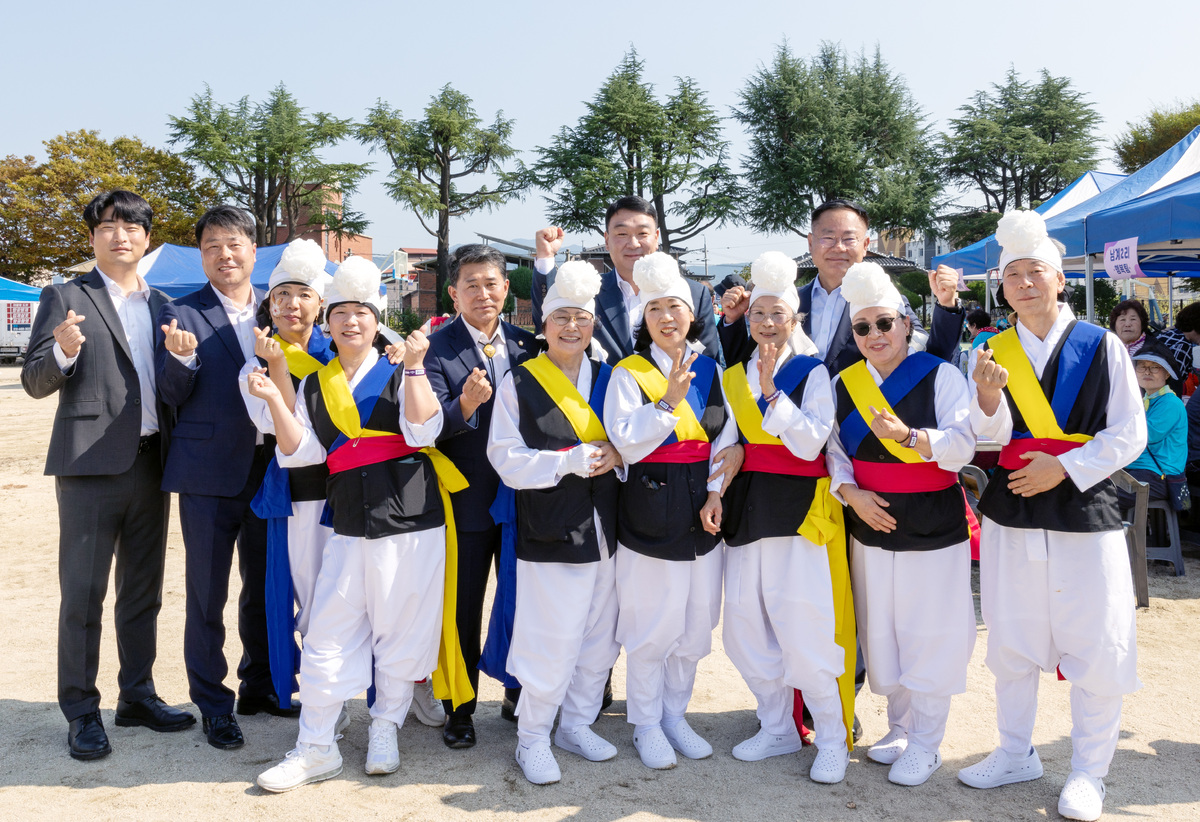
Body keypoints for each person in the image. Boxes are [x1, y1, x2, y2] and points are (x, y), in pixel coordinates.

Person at [251, 256, 469, 791]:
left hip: (412, 521)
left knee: (400, 628)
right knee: (327, 633)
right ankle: (315, 746)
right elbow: (300, 452)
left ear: (377, 321)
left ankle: (385, 727)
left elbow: (424, 431)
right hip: (347, 523)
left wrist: (414, 367)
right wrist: (276, 397)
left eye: (362, 313)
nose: (351, 321)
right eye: (341, 313)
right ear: (328, 323)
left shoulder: (402, 368)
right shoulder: (315, 384)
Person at [960, 209, 1145, 822]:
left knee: (1095, 641)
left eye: (1035, 271)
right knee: (1011, 637)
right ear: (1001, 286)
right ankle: (1015, 752)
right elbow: (982, 437)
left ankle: (1089, 772)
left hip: (1083, 506)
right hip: (1013, 504)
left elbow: (1130, 433)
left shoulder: (1101, 344)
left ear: (1060, 278)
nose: (1024, 283)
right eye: (1012, 274)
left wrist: (1063, 467)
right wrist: (988, 398)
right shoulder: (990, 349)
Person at [21, 190, 193, 760]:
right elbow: (34, 380)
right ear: (92, 236)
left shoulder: (165, 304)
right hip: (90, 465)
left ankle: (137, 696)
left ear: (147, 237)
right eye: (108, 227)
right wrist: (63, 352)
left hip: (152, 462)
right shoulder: (66, 295)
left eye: (132, 227)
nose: (121, 236)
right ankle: (80, 710)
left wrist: (185, 360)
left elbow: (171, 385)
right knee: (84, 593)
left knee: (142, 591)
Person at [825, 261, 977, 787]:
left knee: (929, 630)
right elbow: (834, 452)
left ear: (907, 324)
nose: (875, 335)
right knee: (883, 629)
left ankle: (928, 742)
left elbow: (962, 447)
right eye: (862, 327)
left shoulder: (941, 375)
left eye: (884, 323)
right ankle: (901, 727)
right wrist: (850, 493)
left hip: (933, 520)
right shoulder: (844, 383)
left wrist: (911, 437)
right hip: (870, 521)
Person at [155, 205, 293, 751]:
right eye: (212, 246)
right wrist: (180, 362)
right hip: (207, 473)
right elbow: (169, 395)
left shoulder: (277, 308)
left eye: (234, 244)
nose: (224, 255)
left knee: (265, 585)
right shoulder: (178, 313)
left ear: (254, 251)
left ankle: (260, 685)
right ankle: (213, 704)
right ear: (201, 255)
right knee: (206, 592)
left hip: (271, 471)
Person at [718, 252, 856, 784]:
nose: (767, 322)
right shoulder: (735, 375)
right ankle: (776, 725)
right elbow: (728, 442)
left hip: (799, 510)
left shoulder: (812, 371)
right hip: (746, 509)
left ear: (794, 318)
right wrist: (716, 487)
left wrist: (774, 394)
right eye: (758, 314)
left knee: (805, 626)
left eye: (777, 313)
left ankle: (831, 736)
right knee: (745, 628)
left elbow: (810, 443)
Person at [486, 260, 623, 785]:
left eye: (581, 318)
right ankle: (533, 737)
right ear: (543, 324)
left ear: (593, 325)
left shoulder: (612, 378)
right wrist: (565, 461)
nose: (572, 327)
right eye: (561, 317)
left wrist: (619, 455)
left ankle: (577, 724)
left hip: (609, 529)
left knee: (600, 638)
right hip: (549, 529)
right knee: (551, 638)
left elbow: (635, 441)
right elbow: (505, 458)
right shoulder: (519, 381)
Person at [603, 252, 740, 771]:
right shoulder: (628, 372)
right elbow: (624, 442)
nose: (666, 317)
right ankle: (645, 722)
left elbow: (725, 440)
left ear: (692, 313)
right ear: (643, 318)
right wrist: (666, 403)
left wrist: (716, 493)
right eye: (654, 308)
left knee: (694, 623)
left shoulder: (712, 369)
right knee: (651, 624)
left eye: (675, 307)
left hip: (701, 508)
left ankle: (675, 714)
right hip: (649, 505)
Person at [424, 244, 538, 748]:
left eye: (491, 283)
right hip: (466, 500)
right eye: (471, 284)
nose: (482, 293)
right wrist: (464, 406)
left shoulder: (530, 344)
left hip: (524, 500)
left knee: (523, 601)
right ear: (454, 293)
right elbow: (426, 426)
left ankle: (518, 694)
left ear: (506, 289)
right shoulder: (434, 349)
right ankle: (460, 708)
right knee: (463, 607)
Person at [719, 199, 966, 372]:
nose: (838, 247)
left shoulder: (885, 302)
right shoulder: (786, 304)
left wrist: (947, 305)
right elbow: (742, 363)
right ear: (810, 243)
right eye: (828, 237)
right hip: (791, 421)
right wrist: (732, 321)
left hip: (859, 421)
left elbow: (930, 358)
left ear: (865, 245)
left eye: (849, 238)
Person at [531, 195, 721, 364]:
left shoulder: (693, 293)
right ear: (607, 240)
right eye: (622, 234)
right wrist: (546, 258)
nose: (633, 243)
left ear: (656, 238)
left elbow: (708, 360)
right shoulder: (587, 289)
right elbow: (547, 322)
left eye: (642, 234)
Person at [1123, 343, 1186, 502]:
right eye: (1142, 366)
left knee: (1102, 498)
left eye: (1155, 367)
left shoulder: (1170, 403)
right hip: (1138, 469)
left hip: (1159, 475)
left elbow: (1146, 435)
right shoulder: (1145, 401)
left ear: (1167, 373)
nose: (1147, 372)